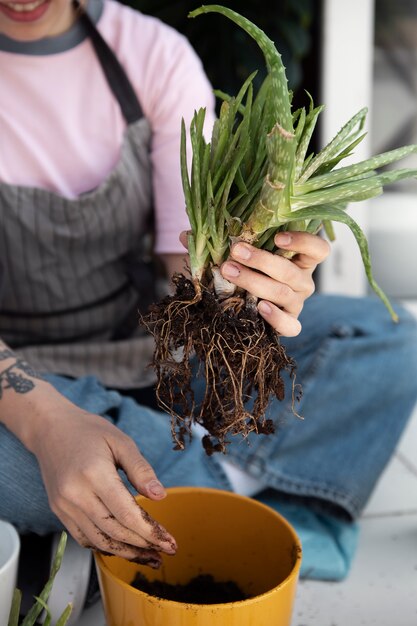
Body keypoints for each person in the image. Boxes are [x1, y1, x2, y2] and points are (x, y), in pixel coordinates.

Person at [1, 0, 417, 582]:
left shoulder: (147, 52)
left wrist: (256, 286)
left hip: (146, 349)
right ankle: (235, 489)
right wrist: (46, 422)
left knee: (386, 336)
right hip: (15, 381)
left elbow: (190, 268)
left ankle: (172, 486)